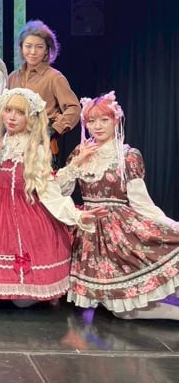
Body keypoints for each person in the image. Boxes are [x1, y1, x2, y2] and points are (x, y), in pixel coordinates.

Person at [55, 91, 179, 320]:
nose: (97, 126)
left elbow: (141, 202)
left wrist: (170, 225)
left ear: (116, 121)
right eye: (91, 121)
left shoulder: (127, 156)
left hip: (120, 229)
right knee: (118, 309)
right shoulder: (80, 152)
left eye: (104, 120)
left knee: (125, 307)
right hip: (89, 229)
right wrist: (77, 163)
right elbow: (59, 191)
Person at [0, 88, 102, 307]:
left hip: (27, 217)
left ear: (30, 118)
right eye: (8, 110)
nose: (12, 117)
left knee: (21, 301)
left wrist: (76, 215)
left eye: (20, 112)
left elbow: (49, 190)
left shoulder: (34, 150)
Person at [7, 19, 80, 167]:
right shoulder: (13, 77)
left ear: (47, 50)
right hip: (14, 145)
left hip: (42, 146)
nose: (33, 52)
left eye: (39, 47)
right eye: (28, 46)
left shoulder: (54, 77)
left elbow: (74, 108)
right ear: (21, 47)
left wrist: (53, 130)